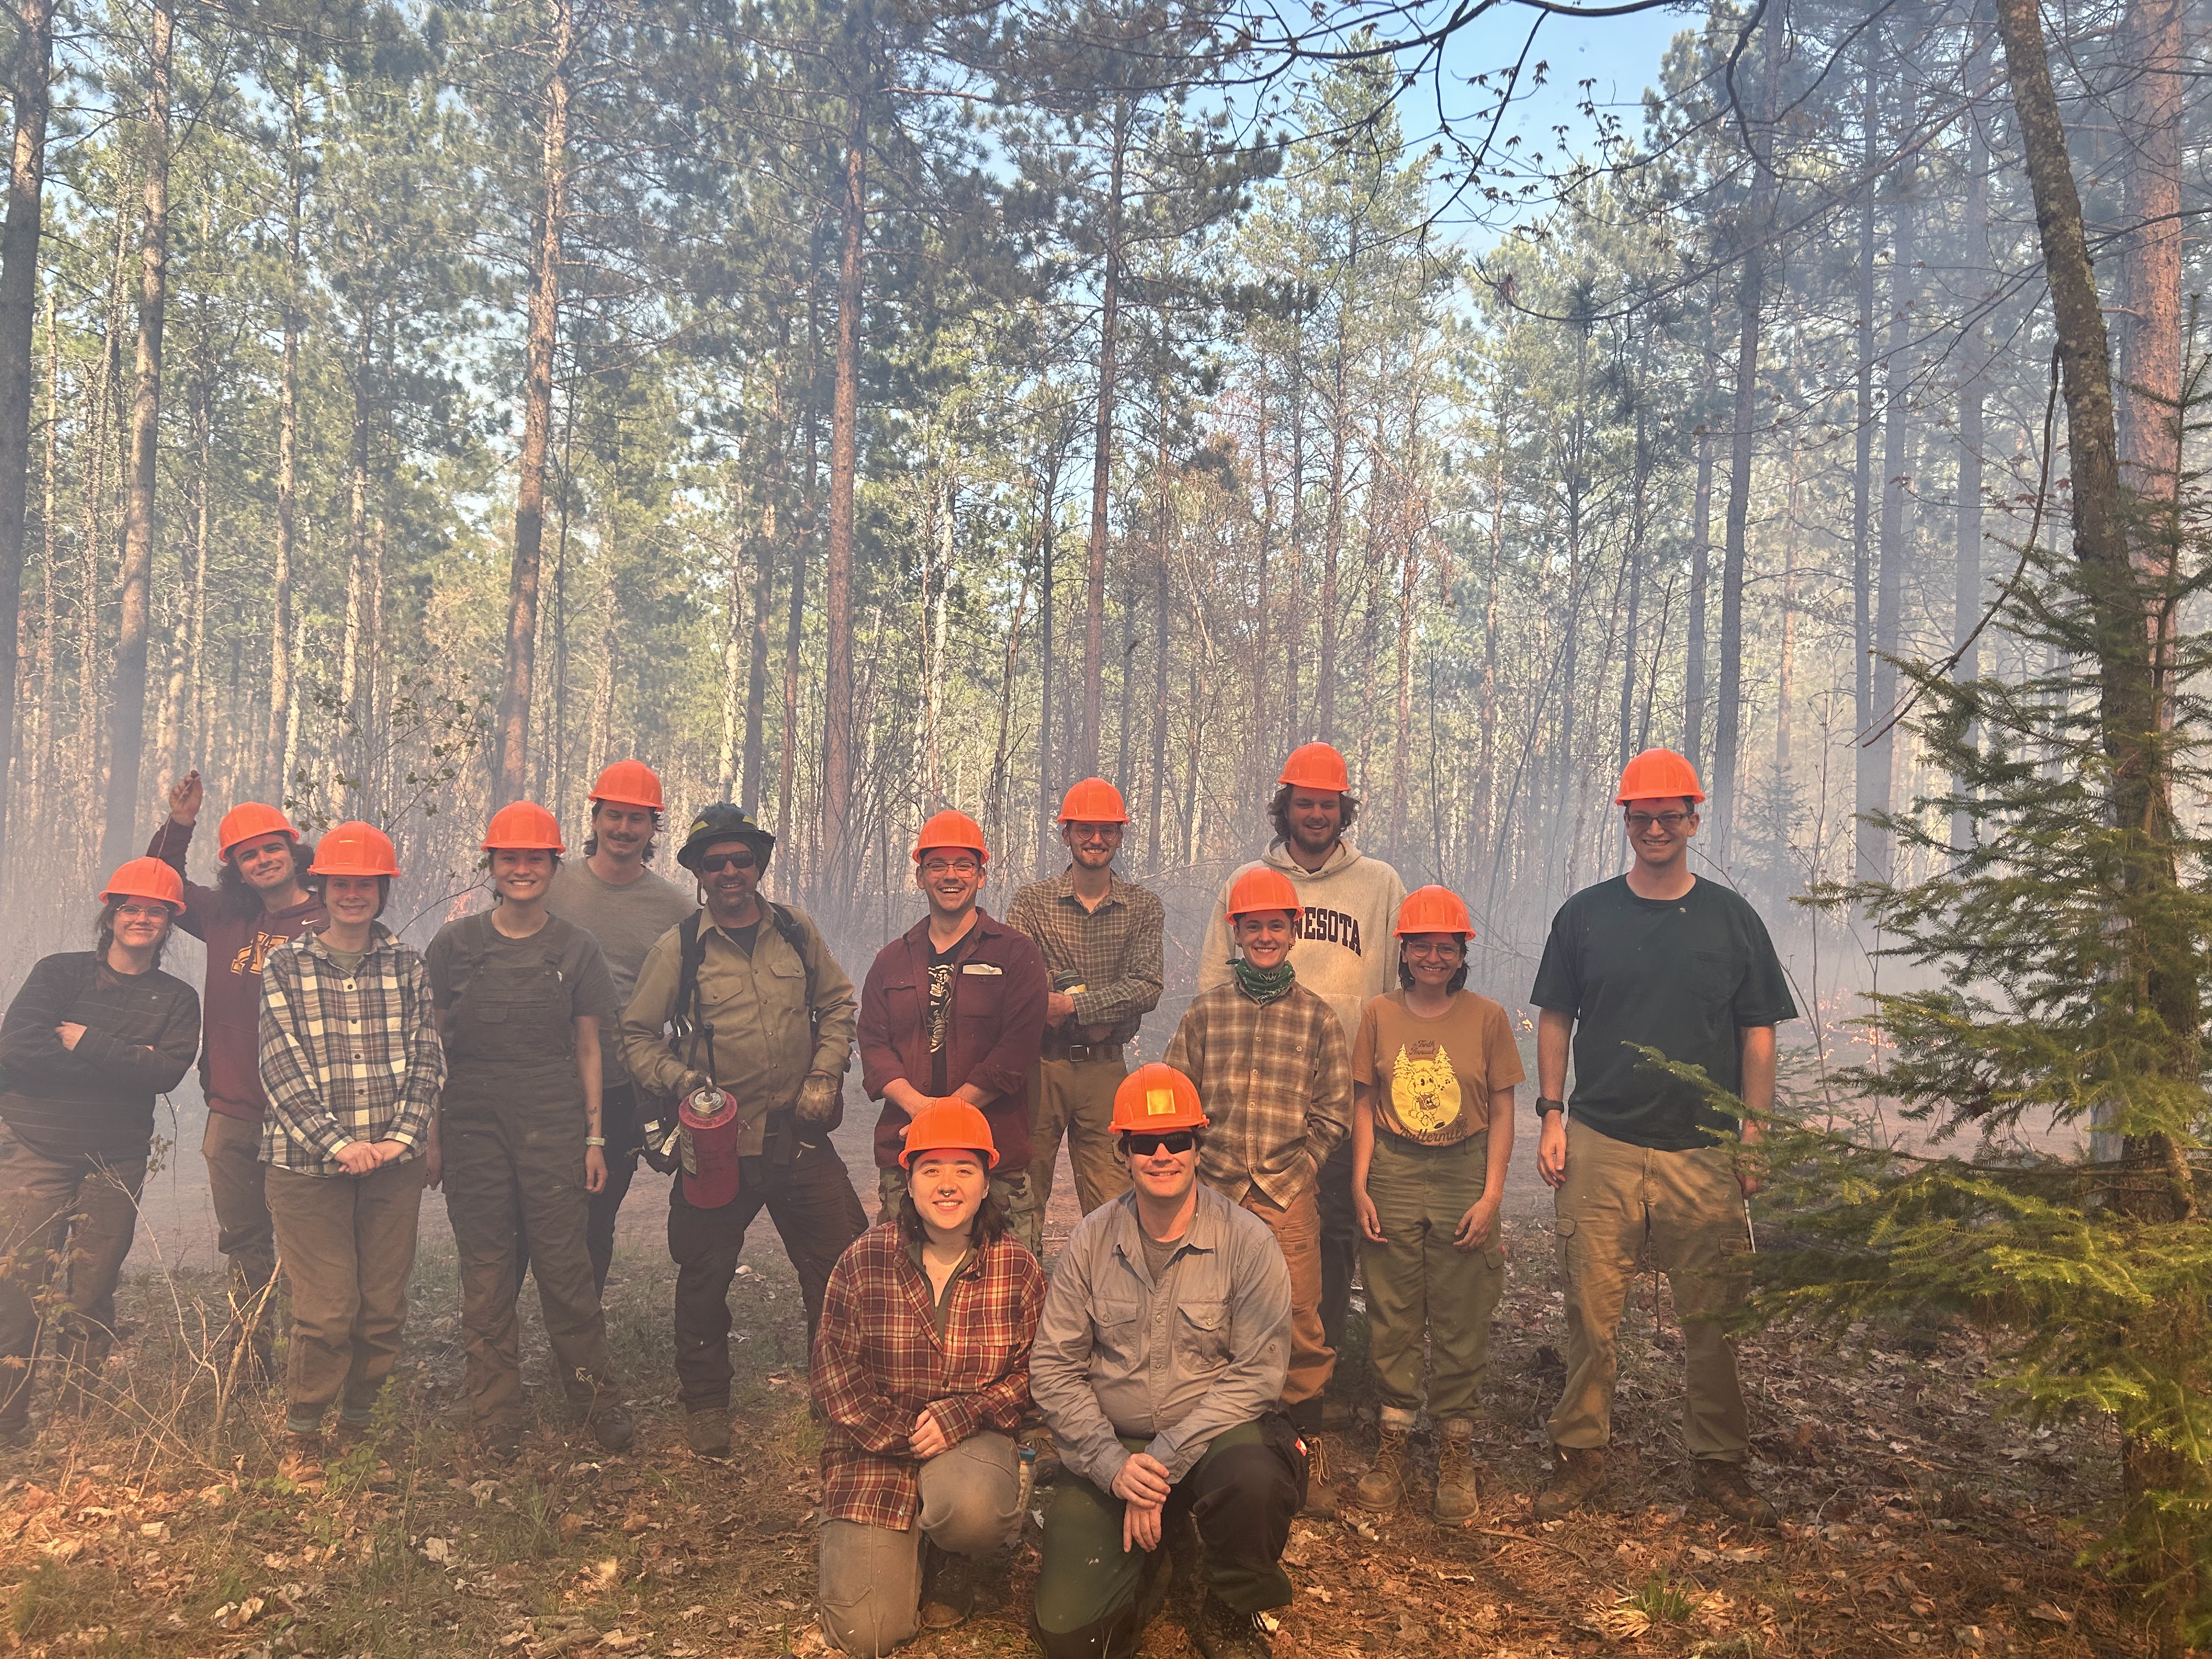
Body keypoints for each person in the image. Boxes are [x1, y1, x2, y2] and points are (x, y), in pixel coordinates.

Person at [1529, 748, 1797, 1527]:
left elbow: (1757, 1033)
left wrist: (1756, 1132)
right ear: (1626, 821)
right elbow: (1555, 1016)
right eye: (1640, 816)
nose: (1653, 828)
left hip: (1705, 1149)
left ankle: (1719, 1467)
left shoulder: (1730, 919)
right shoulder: (1585, 915)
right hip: (1601, 1142)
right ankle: (1581, 1456)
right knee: (1590, 1314)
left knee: (1712, 1320)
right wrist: (1552, 1112)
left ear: (1692, 819)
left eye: (1667, 816)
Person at [1030, 1063, 1304, 1659]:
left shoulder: (1249, 1242)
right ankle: (1153, 1558)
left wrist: (1161, 1462)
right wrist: (1111, 1465)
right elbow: (1053, 1367)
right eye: (1145, 1143)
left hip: (1210, 1440)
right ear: (1122, 1152)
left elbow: (1257, 1374)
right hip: (1115, 1447)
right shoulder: (1090, 1241)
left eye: (1176, 1140)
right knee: (1071, 1640)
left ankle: (1229, 1607)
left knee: (1255, 1481)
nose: (1162, 1155)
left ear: (1197, 1149)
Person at [621, 803, 866, 1458]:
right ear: (699, 873)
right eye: (715, 862)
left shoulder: (795, 931)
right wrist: (681, 1084)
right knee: (703, 1274)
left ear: (758, 866)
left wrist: (825, 1073)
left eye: (742, 860)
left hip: (798, 1136)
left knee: (843, 1264)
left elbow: (839, 1004)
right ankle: (705, 1405)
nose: (730, 872)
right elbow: (638, 1037)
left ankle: (837, 1392)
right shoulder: (680, 948)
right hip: (716, 1146)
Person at [1195, 742, 1405, 1420]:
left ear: (1345, 810)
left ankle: (1325, 1374)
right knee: (1237, 1239)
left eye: (1329, 803)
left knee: (1335, 1233)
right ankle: (1238, 1377)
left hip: (1344, 1097)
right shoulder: (1246, 880)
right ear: (1284, 806)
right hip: (1255, 1103)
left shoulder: (1378, 884)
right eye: (1305, 802)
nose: (1317, 813)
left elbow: (1402, 980)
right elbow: (1211, 982)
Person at [425, 802, 631, 1458]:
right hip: (472, 1119)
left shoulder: (576, 947)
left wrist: (595, 1139)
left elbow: (590, 1049)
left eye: (534, 859)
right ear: (491, 865)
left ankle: (593, 1400)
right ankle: (495, 1414)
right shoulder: (454, 946)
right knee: (487, 1269)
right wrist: (433, 1135)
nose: (521, 870)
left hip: (554, 1117)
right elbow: (431, 1047)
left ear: (552, 865)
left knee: (565, 1267)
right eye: (509, 859)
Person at [811, 1099, 1046, 1655]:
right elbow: (832, 1379)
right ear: (908, 1183)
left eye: (964, 1170)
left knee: (970, 1511)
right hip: (875, 1449)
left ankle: (952, 1551)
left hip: (970, 1443)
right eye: (931, 1169)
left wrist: (963, 1414)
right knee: (865, 1636)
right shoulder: (862, 1261)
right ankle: (901, 1536)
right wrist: (909, 1434)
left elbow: (1034, 1376)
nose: (948, 1185)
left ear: (987, 1183)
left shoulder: (1018, 1267)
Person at [258, 822, 443, 1471]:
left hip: (391, 1167)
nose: (354, 895)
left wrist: (398, 1139)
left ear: (382, 890)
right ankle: (304, 1432)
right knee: (327, 1308)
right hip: (306, 1167)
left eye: (366, 884)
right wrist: (340, 1144)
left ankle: (360, 1423)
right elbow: (280, 1068)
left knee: (381, 1306)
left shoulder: (408, 966)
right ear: (323, 888)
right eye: (342, 884)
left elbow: (427, 1059)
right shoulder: (286, 964)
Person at [1165, 866, 1352, 1510]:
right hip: (1212, 1189)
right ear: (1235, 933)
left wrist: (1299, 1173)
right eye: (1253, 927)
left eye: (1277, 926)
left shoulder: (1318, 1020)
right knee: (1206, 1310)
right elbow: (1173, 1098)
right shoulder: (1206, 1013)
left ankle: (1308, 1442)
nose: (1265, 937)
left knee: (1300, 1316)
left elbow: (1333, 1111)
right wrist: (1189, 1172)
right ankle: (1214, 1439)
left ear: (1295, 932)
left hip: (1285, 1192)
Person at [0, 859, 200, 1443]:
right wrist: (121, 1061)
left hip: (115, 1160)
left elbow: (165, 1072)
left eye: (155, 910)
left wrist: (85, 1038)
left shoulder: (177, 998)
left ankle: (75, 1418)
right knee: (18, 1285)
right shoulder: (59, 975)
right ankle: (9, 1422)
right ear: (110, 915)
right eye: (130, 908)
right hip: (35, 1150)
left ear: (170, 924)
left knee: (92, 1287)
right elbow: (16, 1046)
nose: (141, 918)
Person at [1346, 887, 1522, 1522]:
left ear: (1461, 951)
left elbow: (1503, 1109)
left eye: (1445, 945)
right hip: (1393, 1167)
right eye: (1421, 944)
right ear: (1404, 949)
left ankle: (1455, 1442)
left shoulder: (1487, 1017)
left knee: (1460, 1308)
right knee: (1393, 1307)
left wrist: (1492, 1193)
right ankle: (1393, 1436)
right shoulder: (1378, 1014)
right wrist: (1362, 1183)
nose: (1433, 955)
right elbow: (1364, 1102)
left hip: (1462, 1169)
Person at [146, 775, 323, 1383]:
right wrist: (181, 824)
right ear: (236, 869)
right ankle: (250, 1362)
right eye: (249, 854)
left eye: (272, 848)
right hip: (234, 1110)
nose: (263, 859)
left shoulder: (330, 917)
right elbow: (158, 883)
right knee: (244, 1242)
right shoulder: (226, 916)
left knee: (309, 1245)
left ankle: (316, 1363)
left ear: (293, 851)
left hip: (309, 1116)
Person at [859, 810, 1049, 1257]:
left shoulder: (1016, 955)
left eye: (963, 865)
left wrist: (947, 1116)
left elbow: (1015, 1051)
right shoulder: (891, 961)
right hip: (907, 1153)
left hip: (995, 1153)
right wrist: (920, 1110)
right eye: (937, 865)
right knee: (909, 1282)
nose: (950, 876)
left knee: (1006, 1285)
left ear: (981, 875)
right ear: (920, 876)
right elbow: (872, 1044)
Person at [546, 760, 695, 1290]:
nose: (624, 830)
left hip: (621, 1085)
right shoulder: (552, 887)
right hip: (545, 1081)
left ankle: (582, 1339)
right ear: (595, 818)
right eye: (614, 816)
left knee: (596, 1215)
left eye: (637, 819)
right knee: (534, 1210)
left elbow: (687, 1000)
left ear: (654, 828)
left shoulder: (673, 908)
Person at [1006, 778, 1164, 1219]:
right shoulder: (1032, 902)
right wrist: (1092, 1000)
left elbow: (1147, 986)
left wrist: (1072, 1005)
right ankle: (1023, 1286)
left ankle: (1108, 1288)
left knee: (1114, 1203)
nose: (1096, 840)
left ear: (1120, 836)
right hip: (1040, 1066)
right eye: (1085, 830)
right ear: (1066, 835)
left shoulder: (1143, 907)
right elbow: (1019, 981)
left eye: (1107, 830)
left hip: (1105, 1069)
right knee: (1021, 1194)